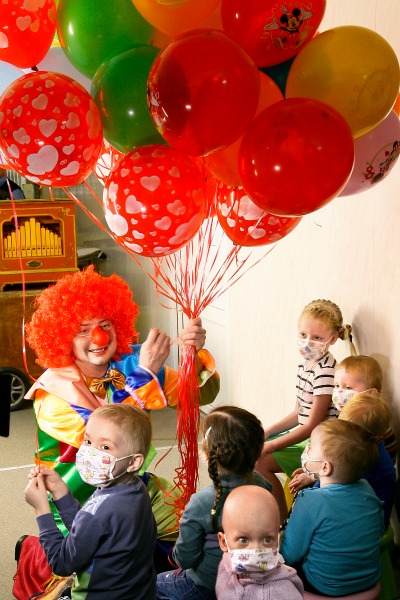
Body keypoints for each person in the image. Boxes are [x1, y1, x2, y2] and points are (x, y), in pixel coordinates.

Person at [24, 266, 220, 559]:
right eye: (83, 330)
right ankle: (31, 550)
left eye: (105, 325)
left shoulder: (128, 362)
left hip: (131, 486)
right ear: (62, 335)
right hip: (80, 502)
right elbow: (112, 443)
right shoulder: (53, 391)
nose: (99, 338)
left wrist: (194, 355)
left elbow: (198, 395)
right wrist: (144, 375)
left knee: (197, 523)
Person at [24, 403, 157, 600]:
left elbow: (62, 563)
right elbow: (89, 530)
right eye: (87, 441)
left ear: (133, 462)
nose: (90, 453)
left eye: (105, 447)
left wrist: (42, 510)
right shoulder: (137, 489)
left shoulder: (99, 511)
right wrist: (61, 492)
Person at [156, 405, 273, 600]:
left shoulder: (201, 502)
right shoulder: (263, 484)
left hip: (205, 584)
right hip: (252, 579)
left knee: (153, 585)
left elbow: (186, 558)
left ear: (208, 454)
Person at [256, 299, 356, 521]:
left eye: (317, 338)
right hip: (307, 434)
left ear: (331, 340)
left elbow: (312, 425)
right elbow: (298, 413)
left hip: (320, 443)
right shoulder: (306, 364)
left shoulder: (326, 371)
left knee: (258, 461)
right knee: (256, 447)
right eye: (303, 335)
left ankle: (282, 520)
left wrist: (269, 445)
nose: (308, 343)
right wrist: (267, 432)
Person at [280, 419, 384, 597]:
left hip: (324, 586)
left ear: (325, 467)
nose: (306, 450)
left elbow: (289, 554)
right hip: (368, 580)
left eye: (311, 446)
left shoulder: (310, 500)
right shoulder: (367, 489)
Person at [289, 391, 396, 527]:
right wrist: (313, 475)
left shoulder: (367, 461)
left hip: (362, 524)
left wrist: (315, 477)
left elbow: (335, 485)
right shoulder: (366, 448)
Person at [216, 485, 304, 600]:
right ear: (224, 542)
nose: (256, 549)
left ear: (277, 542)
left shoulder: (283, 594)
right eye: (244, 540)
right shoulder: (226, 564)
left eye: (267, 539)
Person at [331, 355, 397, 462]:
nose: (339, 392)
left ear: (371, 393)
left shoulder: (367, 421)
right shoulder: (353, 414)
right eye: (336, 386)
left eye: (348, 387)